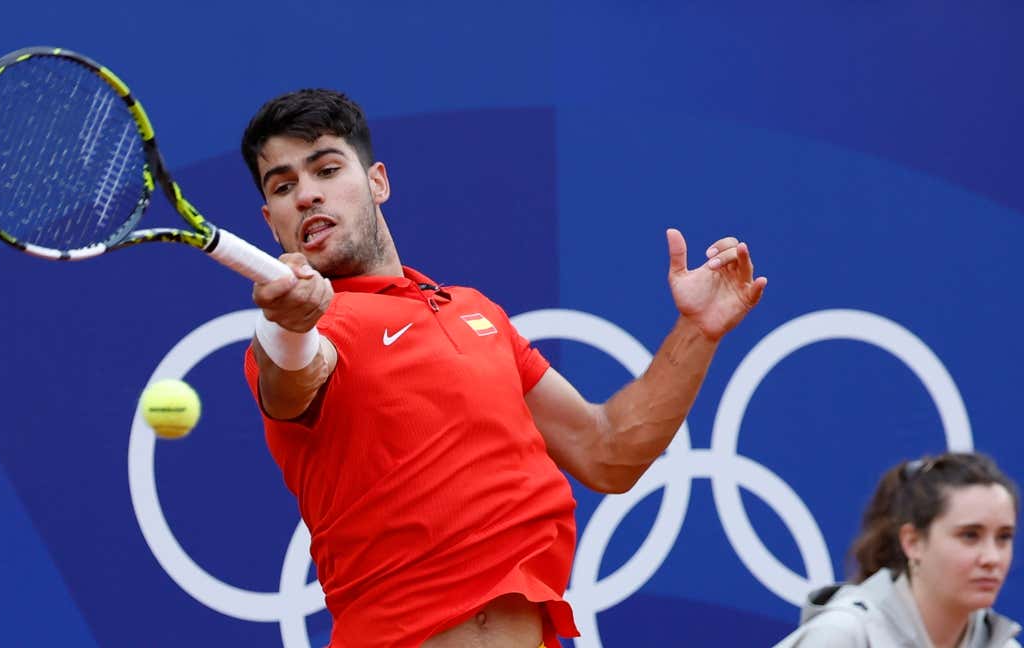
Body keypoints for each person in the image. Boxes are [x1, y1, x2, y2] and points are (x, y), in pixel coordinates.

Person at [239, 88, 767, 647]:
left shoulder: (474, 310)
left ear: (377, 182)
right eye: (284, 185)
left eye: (325, 169)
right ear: (271, 223)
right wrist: (288, 325)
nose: (306, 195)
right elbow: (292, 377)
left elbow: (608, 451)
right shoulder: (313, 331)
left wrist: (698, 330)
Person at [776, 451, 1020, 648]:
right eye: (969, 536)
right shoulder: (842, 635)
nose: (992, 558)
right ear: (912, 542)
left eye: (1004, 537)